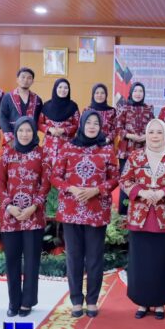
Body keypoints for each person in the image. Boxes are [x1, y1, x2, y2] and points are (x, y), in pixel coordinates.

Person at [51, 111, 119, 318]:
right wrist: (71, 189)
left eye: (96, 123)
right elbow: (55, 176)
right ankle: (76, 300)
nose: (92, 126)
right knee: (74, 257)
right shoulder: (67, 148)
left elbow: (115, 178)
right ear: (81, 124)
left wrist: (96, 190)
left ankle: (92, 300)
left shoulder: (106, 149)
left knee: (94, 257)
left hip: (96, 210)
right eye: (88, 122)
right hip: (71, 210)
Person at [120, 119, 165, 320]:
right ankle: (142, 301)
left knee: (161, 260)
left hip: (164, 216)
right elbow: (124, 180)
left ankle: (159, 302)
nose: (155, 136)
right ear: (146, 135)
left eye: (159, 132)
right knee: (141, 261)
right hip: (139, 216)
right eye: (151, 132)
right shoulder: (135, 156)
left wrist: (162, 193)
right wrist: (141, 192)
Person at [0, 117, 51, 317]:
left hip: (33, 216)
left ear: (34, 133)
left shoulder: (42, 154)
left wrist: (34, 206)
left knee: (31, 261)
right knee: (12, 260)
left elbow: (46, 183)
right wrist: (9, 206)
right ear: (16, 132)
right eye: (21, 130)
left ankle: (27, 302)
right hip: (10, 215)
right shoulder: (7, 153)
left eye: (28, 130)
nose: (25, 134)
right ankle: (14, 302)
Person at [115, 82, 154, 216]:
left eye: (140, 91)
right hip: (126, 150)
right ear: (131, 93)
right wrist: (131, 136)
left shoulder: (148, 109)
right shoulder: (123, 107)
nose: (138, 93)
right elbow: (118, 127)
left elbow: (153, 127)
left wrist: (146, 136)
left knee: (141, 181)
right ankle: (123, 215)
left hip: (144, 151)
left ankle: (139, 213)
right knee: (125, 181)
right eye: (135, 91)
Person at [39, 78, 80, 167]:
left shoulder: (73, 106)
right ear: (55, 88)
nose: (63, 90)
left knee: (64, 168)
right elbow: (39, 123)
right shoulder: (46, 105)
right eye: (60, 87)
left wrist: (64, 130)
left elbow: (77, 125)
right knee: (47, 168)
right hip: (48, 146)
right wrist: (50, 129)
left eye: (66, 88)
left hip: (67, 145)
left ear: (69, 90)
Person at [0, 67, 43, 143]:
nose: (25, 80)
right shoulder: (7, 97)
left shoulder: (37, 99)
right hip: (12, 138)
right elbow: (2, 117)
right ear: (17, 79)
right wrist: (10, 138)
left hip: (30, 138)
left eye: (29, 78)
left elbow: (40, 119)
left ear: (32, 81)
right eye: (23, 77)